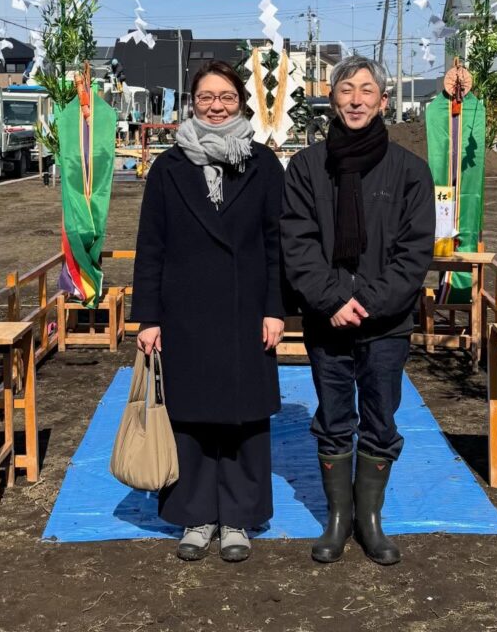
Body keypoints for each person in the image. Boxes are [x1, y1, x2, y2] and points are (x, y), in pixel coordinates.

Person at [281, 56, 434, 566]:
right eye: (346, 90)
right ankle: (338, 518)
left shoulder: (410, 171)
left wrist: (366, 302)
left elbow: (414, 252)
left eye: (367, 90)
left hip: (386, 324)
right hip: (328, 321)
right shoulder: (306, 167)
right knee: (333, 416)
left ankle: (370, 522)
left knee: (380, 416)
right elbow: (297, 243)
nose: (355, 99)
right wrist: (331, 300)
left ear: (382, 101)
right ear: (332, 98)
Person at [131, 60, 285, 563]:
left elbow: (275, 243)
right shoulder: (168, 167)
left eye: (225, 97)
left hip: (246, 310)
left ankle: (239, 516)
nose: (215, 107)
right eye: (205, 97)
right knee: (190, 416)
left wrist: (275, 309)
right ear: (191, 102)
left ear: (240, 102)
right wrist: (148, 317)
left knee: (243, 418)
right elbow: (150, 246)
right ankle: (195, 515)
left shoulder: (262, 164)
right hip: (185, 312)